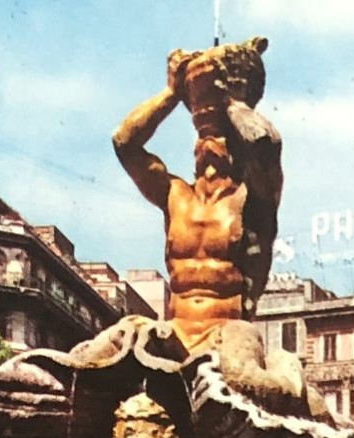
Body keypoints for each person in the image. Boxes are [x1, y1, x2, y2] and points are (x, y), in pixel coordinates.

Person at [112, 38, 283, 352]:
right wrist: (172, 93)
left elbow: (266, 144)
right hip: (176, 340)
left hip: (228, 344)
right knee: (118, 339)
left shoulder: (253, 199)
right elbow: (124, 143)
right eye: (203, 136)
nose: (208, 143)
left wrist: (232, 100)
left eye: (219, 136)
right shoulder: (175, 195)